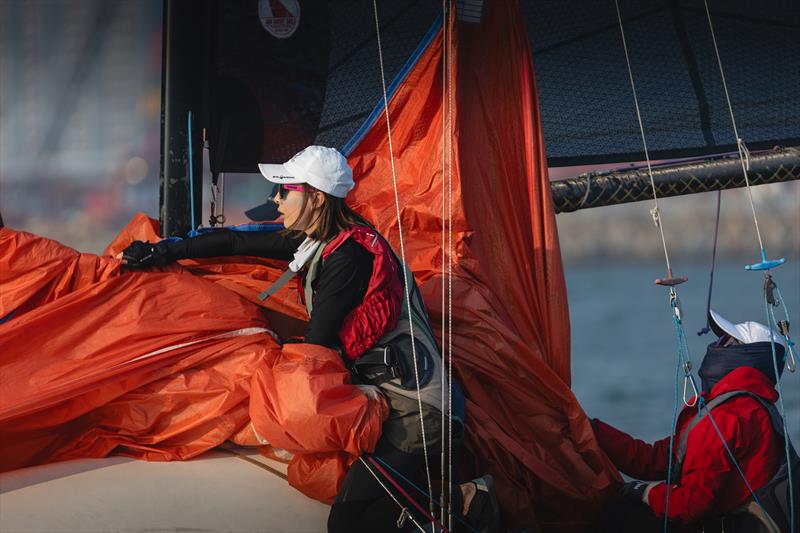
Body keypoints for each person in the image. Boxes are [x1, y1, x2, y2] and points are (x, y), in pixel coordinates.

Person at [122, 146, 501, 533]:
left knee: (348, 523)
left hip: (419, 416)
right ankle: (460, 502)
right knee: (361, 513)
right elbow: (236, 242)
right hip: (399, 406)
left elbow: (316, 347)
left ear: (316, 198)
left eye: (285, 191)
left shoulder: (350, 257)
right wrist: (162, 249)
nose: (275, 199)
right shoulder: (321, 241)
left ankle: (469, 501)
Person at [591, 309, 796, 533]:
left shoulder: (729, 415)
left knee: (617, 516)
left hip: (727, 526)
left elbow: (690, 506)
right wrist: (593, 431)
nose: (718, 344)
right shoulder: (753, 406)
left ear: (748, 356)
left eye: (728, 340)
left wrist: (645, 492)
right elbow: (658, 460)